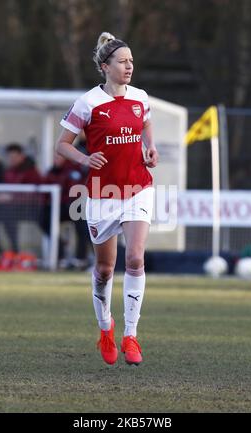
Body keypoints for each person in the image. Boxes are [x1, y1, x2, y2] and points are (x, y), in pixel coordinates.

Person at [56, 32, 158, 366]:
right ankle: (105, 328)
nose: (130, 66)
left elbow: (145, 123)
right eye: (123, 61)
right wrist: (85, 160)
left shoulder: (141, 97)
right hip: (103, 195)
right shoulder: (88, 103)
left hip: (138, 188)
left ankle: (131, 336)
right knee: (103, 269)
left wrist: (150, 147)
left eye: (131, 61)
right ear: (105, 67)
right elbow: (63, 145)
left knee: (136, 259)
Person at [43, 152, 92, 268]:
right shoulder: (51, 172)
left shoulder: (73, 171)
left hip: (73, 206)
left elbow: (75, 191)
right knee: (44, 219)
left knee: (82, 224)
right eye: (54, 157)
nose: (56, 160)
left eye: (59, 157)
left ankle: (81, 258)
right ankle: (60, 254)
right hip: (57, 208)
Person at [1, 143, 43, 252]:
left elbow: (35, 193)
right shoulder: (8, 171)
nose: (12, 159)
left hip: (33, 209)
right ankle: (10, 250)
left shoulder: (31, 171)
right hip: (13, 209)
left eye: (14, 157)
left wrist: (12, 197)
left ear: (21, 156)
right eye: (10, 157)